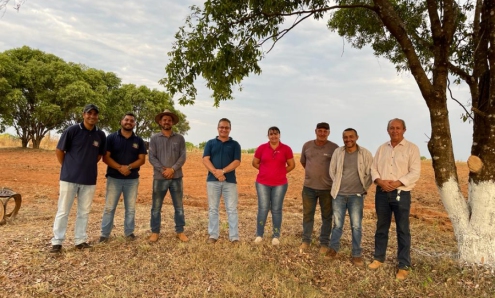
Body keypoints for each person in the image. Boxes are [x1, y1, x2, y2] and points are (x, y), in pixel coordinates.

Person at [368, 118, 420, 281]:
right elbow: (373, 168)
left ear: (404, 130)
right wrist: (380, 181)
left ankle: (403, 265)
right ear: (387, 130)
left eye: (398, 128)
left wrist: (397, 183)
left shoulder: (412, 149)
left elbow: (415, 172)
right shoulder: (382, 149)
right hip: (382, 193)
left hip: (401, 193)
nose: (395, 131)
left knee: (403, 229)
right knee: (381, 226)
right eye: (392, 128)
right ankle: (378, 258)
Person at [50, 104, 106, 253]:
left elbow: (99, 155)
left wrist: (85, 166)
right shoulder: (72, 130)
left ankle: (80, 240)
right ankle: (57, 242)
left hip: (88, 179)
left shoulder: (100, 135)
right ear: (83, 114)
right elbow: (59, 150)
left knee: (84, 211)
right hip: (69, 178)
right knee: (63, 210)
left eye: (95, 114)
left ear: (97, 116)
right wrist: (68, 166)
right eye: (89, 113)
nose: (92, 116)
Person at [326, 128, 373, 267]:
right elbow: (332, 171)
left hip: (356, 196)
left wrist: (363, 188)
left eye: (351, 137)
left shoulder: (365, 153)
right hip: (339, 195)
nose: (348, 139)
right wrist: (338, 186)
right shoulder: (338, 152)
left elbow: (370, 174)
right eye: (345, 137)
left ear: (357, 137)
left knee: (356, 226)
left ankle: (356, 254)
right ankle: (333, 249)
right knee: (337, 224)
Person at [99, 113, 147, 242]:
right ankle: (104, 235)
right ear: (121, 121)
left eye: (132, 121)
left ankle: (129, 233)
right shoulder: (111, 138)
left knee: (130, 208)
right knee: (109, 208)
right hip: (114, 178)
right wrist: (120, 168)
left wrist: (129, 167)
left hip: (132, 180)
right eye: (126, 120)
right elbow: (106, 157)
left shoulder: (138, 140)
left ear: (134, 124)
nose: (129, 122)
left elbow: (142, 159)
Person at [148, 109, 188, 243]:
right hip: (159, 178)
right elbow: (152, 157)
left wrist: (173, 169)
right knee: (156, 206)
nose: (167, 122)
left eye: (169, 120)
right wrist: (163, 170)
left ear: (172, 123)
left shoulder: (180, 138)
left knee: (178, 206)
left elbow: (183, 156)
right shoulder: (154, 138)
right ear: (160, 122)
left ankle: (180, 231)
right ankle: (155, 232)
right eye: (164, 120)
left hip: (176, 177)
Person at [299, 122, 339, 254]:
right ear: (315, 131)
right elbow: (303, 162)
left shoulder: (334, 148)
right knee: (307, 215)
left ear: (329, 132)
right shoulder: (307, 145)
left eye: (325, 131)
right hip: (309, 187)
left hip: (327, 189)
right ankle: (306, 240)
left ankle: (324, 242)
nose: (322, 133)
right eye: (320, 130)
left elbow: (338, 167)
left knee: (327, 216)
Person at [252, 126, 295, 245]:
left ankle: (276, 235)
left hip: (280, 184)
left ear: (279, 135)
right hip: (262, 183)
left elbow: (292, 165)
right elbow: (254, 162)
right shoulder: (262, 148)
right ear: (268, 136)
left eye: (276, 134)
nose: (273, 136)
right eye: (271, 134)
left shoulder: (286, 149)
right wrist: (265, 171)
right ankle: (259, 235)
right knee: (263, 208)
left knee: (276, 209)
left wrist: (281, 172)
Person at [202, 118, 241, 243]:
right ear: (218, 128)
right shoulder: (210, 143)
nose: (224, 129)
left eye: (226, 127)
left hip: (230, 182)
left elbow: (237, 162)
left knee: (232, 209)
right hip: (212, 181)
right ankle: (213, 235)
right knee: (213, 208)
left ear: (230, 129)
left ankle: (234, 237)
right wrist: (216, 173)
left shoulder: (235, 145)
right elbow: (205, 159)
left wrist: (223, 171)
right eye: (221, 127)